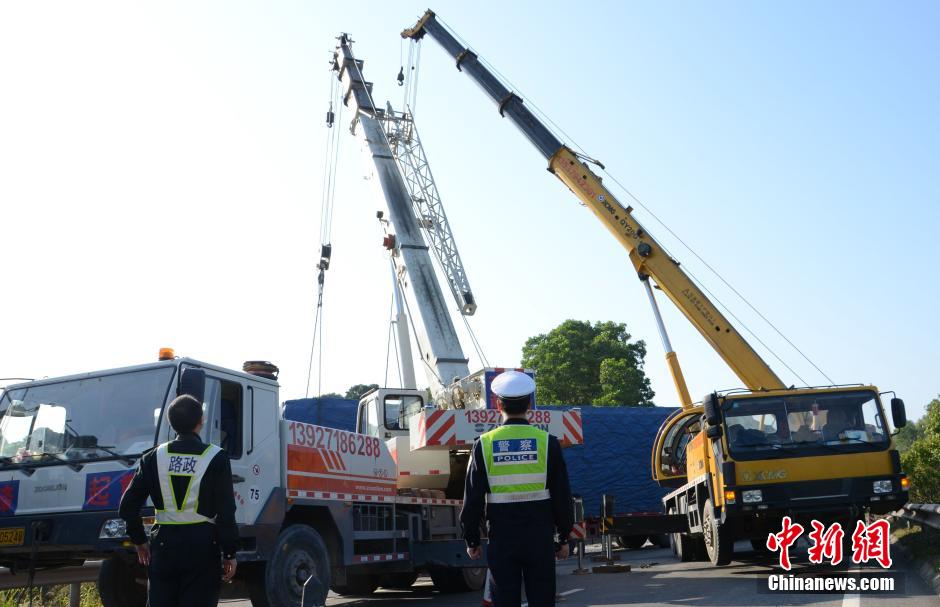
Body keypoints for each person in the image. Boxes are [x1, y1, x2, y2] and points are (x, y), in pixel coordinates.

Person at [461, 370, 573, 607]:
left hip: (501, 539)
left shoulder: (484, 444)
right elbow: (562, 495)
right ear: (529, 404)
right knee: (542, 599)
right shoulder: (548, 443)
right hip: (539, 537)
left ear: (498, 403)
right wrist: (563, 537)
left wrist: (472, 539)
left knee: (504, 600)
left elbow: (472, 497)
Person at [119, 394, 239, 607]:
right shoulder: (216, 457)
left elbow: (127, 507)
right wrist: (229, 552)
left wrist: (139, 541)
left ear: (170, 422)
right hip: (202, 546)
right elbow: (227, 511)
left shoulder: (152, 458)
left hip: (163, 545)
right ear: (200, 421)